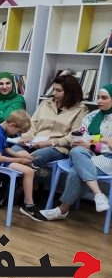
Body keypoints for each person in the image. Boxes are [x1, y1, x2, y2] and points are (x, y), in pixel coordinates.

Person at [40, 85, 112, 221]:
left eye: (104, 98)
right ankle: (98, 194)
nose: (99, 101)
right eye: (98, 97)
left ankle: (62, 210)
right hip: (86, 154)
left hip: (108, 159)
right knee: (76, 150)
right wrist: (100, 141)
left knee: (76, 171)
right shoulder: (92, 115)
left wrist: (92, 144)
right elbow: (82, 136)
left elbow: (102, 145)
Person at [0, 109, 41, 220]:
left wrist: (21, 156)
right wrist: (19, 160)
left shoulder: (1, 129)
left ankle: (28, 196)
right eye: (18, 131)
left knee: (24, 155)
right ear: (12, 125)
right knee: (29, 172)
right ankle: (29, 205)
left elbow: (6, 148)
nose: (17, 134)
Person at [11, 74, 87, 167]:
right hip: (33, 142)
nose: (54, 93)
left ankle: (23, 175)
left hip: (58, 148)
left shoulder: (81, 109)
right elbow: (32, 123)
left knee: (34, 158)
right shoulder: (45, 103)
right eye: (53, 89)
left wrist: (50, 143)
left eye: (58, 90)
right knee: (12, 152)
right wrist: (27, 137)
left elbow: (74, 135)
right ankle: (13, 175)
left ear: (70, 92)